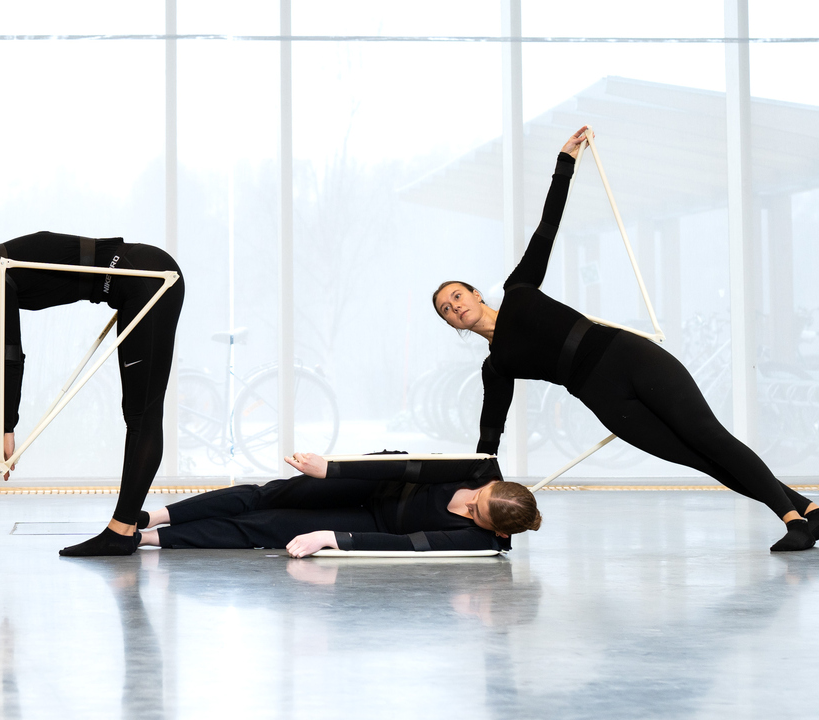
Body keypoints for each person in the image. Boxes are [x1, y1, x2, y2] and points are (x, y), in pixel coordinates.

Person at [432, 126, 819, 552]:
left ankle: (793, 521)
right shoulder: (495, 367)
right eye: (446, 309)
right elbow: (490, 435)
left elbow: (547, 226)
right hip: (604, 398)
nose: (454, 307)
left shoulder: (519, 289)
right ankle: (809, 510)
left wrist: (565, 163)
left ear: (476, 293)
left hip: (628, 357)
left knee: (711, 438)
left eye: (457, 296)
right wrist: (472, 488)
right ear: (452, 325)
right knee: (702, 460)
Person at [0, 222, 184, 556]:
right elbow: (8, 355)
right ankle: (123, 528)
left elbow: (9, 358)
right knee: (138, 414)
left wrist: (0, 433)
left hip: (150, 278)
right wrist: (3, 429)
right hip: (141, 278)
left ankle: (121, 532)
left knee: (143, 415)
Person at [137, 450, 540, 556]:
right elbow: (408, 468)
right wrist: (330, 469)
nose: (467, 506)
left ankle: (149, 540)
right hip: (378, 481)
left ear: (498, 531)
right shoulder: (481, 469)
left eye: (474, 514)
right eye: (476, 499)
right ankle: (151, 517)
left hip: (377, 524)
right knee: (267, 495)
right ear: (494, 484)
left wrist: (333, 538)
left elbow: (409, 544)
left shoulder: (480, 541)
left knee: (267, 527)